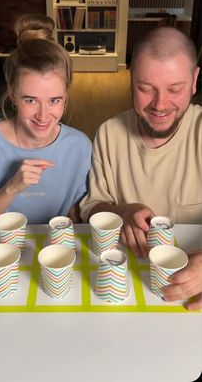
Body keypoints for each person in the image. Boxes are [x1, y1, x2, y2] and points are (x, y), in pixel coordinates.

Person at [80, 27, 202, 309]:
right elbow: (92, 207)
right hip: (124, 287)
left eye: (175, 89)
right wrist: (120, 211)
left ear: (195, 80)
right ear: (130, 80)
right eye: (145, 89)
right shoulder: (108, 133)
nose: (160, 105)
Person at [0, 38, 92, 225]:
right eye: (30, 100)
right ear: (13, 95)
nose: (43, 116)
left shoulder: (80, 146)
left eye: (54, 100)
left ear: (65, 97)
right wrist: (10, 189)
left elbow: (77, 214)